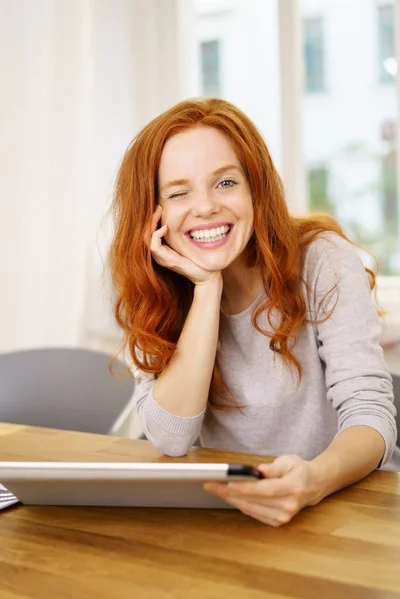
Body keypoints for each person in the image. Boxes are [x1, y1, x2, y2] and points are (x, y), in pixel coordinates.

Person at [109, 97, 398, 526]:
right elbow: (171, 439)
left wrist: (314, 480)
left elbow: (370, 414)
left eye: (225, 183)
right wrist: (207, 288)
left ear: (255, 189)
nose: (205, 206)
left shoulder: (322, 259)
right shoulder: (153, 287)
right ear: (153, 215)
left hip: (344, 508)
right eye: (178, 192)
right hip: (235, 515)